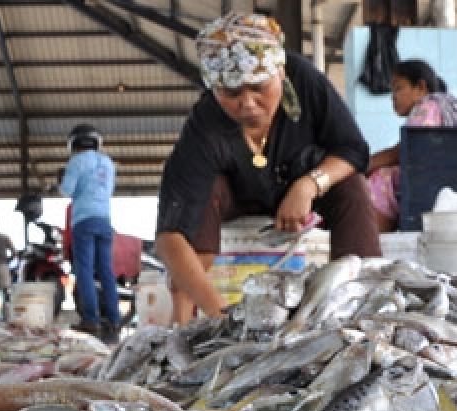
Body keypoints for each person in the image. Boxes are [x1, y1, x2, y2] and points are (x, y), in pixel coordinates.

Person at [155, 11, 382, 323]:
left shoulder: (305, 80)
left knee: (351, 186)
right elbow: (170, 236)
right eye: (232, 93)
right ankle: (181, 324)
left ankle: (362, 305)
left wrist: (309, 185)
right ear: (214, 89)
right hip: (236, 197)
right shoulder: (204, 124)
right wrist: (220, 313)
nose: (247, 103)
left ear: (280, 73)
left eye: (258, 87)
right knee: (203, 198)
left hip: (300, 183)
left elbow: (353, 149)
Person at [367, 59, 457, 233]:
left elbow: (407, 150)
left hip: (433, 180)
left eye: (399, 88)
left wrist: (365, 164)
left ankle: (378, 241)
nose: (393, 96)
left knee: (379, 178)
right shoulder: (451, 105)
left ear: (421, 87)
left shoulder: (428, 105)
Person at [60, 124, 121, 342]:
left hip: (84, 220)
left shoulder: (76, 162)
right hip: (104, 220)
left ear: (74, 144)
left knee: (84, 271)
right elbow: (109, 190)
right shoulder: (108, 163)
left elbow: (66, 190)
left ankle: (91, 319)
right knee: (106, 271)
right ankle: (114, 320)